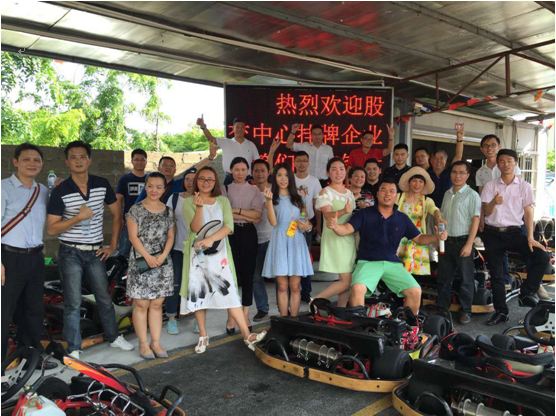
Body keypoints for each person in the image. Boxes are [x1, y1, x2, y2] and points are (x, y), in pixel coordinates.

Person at [47, 141, 134, 359]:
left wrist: (113, 245)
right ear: (67, 162)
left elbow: (117, 214)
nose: (78, 160)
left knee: (104, 297)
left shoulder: (101, 184)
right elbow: (52, 228)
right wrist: (78, 218)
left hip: (95, 251)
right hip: (70, 251)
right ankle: (74, 347)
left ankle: (114, 337)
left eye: (82, 156)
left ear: (89, 160)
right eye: (73, 157)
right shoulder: (60, 190)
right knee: (73, 301)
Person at [326, 178, 448, 315]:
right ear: (378, 194)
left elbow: (419, 238)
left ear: (396, 196)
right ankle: (359, 324)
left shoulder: (402, 218)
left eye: (392, 191)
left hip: (392, 263)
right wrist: (335, 226)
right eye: (383, 190)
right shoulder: (364, 214)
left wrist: (436, 236)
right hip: (368, 262)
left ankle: (409, 325)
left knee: (415, 291)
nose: (387, 194)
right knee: (357, 288)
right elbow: (346, 229)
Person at [179, 167, 266, 354]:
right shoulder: (188, 203)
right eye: (202, 179)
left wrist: (211, 239)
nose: (206, 183)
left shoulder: (223, 201)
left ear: (215, 182)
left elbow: (228, 226)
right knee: (199, 294)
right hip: (198, 255)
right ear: (196, 181)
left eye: (210, 179)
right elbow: (195, 228)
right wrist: (199, 207)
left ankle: (247, 335)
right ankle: (203, 335)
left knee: (230, 292)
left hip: (220, 254)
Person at [1, 144, 57, 369]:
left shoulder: (42, 191)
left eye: (36, 160)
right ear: (15, 162)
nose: (32, 164)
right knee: (4, 311)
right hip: (8, 257)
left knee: (33, 310)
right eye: (26, 159)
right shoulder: (3, 188)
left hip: (35, 257)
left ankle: (30, 359)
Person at [480, 149, 551, 325]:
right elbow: (485, 211)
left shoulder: (524, 186)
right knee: (496, 275)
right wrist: (493, 202)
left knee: (542, 257)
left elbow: (528, 212)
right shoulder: (491, 186)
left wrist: (530, 237)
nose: (505, 164)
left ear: (515, 164)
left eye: (509, 161)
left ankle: (526, 291)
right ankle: (501, 312)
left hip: (514, 233)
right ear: (497, 165)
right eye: (502, 161)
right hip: (492, 233)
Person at [127, 172, 176, 359]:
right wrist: (147, 257)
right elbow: (133, 237)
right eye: (150, 186)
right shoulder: (135, 210)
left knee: (156, 304)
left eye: (158, 187)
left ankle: (155, 342)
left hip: (162, 261)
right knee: (141, 304)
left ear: (164, 189)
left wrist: (163, 256)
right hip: (141, 260)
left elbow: (170, 236)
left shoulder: (168, 211)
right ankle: (143, 344)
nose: (154, 190)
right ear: (145, 187)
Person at [475, 134, 525, 294]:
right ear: (482, 149)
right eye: (486, 146)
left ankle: (534, 285)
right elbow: (482, 198)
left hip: (514, 219)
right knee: (496, 253)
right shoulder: (480, 172)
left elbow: (519, 189)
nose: (490, 148)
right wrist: (481, 218)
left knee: (528, 251)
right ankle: (503, 282)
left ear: (498, 146)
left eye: (493, 145)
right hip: (492, 218)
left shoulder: (508, 165)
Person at [262, 164, 313, 317]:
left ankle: (294, 319)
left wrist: (307, 227)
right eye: (279, 175)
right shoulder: (271, 198)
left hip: (296, 240)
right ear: (274, 178)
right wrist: (268, 201)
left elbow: (305, 220)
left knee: (295, 286)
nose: (283, 179)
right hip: (279, 241)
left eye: (286, 175)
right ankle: (284, 319)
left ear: (290, 178)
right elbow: (273, 222)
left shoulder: (299, 198)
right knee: (282, 286)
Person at [221, 157, 263, 334]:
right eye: (236, 169)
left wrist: (236, 211)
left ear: (248, 171)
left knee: (248, 274)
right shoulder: (224, 189)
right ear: (231, 170)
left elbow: (257, 215)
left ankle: (245, 315)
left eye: (243, 169)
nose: (240, 173)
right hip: (229, 233)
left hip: (248, 234)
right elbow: (224, 214)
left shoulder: (255, 191)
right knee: (231, 275)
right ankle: (231, 316)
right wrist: (247, 215)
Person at [437, 161, 481, 325]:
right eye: (454, 172)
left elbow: (475, 220)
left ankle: (466, 311)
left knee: (465, 278)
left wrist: (469, 244)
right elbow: (442, 218)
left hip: (463, 241)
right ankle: (442, 308)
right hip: (446, 241)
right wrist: (439, 239)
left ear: (468, 175)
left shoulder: (472, 195)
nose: (457, 176)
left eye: (462, 172)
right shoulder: (447, 193)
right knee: (444, 277)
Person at [314, 158, 356, 307]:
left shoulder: (349, 193)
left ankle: (341, 311)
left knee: (345, 279)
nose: (338, 172)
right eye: (334, 169)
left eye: (341, 169)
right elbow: (327, 215)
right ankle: (316, 300)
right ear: (328, 173)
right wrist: (343, 210)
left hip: (349, 238)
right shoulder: (325, 192)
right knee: (346, 281)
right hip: (335, 237)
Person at [165, 167, 198, 335]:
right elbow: (166, 220)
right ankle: (172, 318)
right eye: (187, 179)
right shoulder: (175, 198)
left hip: (197, 250)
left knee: (196, 284)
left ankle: (197, 319)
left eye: (193, 179)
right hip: (178, 248)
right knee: (175, 283)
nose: (190, 182)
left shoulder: (203, 199)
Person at [396, 167, 445, 275]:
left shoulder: (426, 200)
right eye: (414, 180)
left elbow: (433, 209)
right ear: (409, 182)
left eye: (421, 181)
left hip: (417, 238)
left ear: (424, 185)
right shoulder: (399, 197)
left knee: (413, 272)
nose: (417, 184)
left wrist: (438, 217)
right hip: (398, 238)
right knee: (396, 271)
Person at [136, 144, 217, 204]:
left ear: (175, 170)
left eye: (171, 166)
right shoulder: (150, 186)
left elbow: (194, 170)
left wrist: (210, 157)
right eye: (165, 165)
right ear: (159, 168)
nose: (168, 167)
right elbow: (138, 204)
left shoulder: (179, 184)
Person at [292, 151, 322, 301]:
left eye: (304, 161)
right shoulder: (289, 179)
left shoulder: (314, 181)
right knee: (292, 256)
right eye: (299, 161)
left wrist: (318, 224)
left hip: (307, 224)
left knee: (306, 257)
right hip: (291, 224)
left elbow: (317, 205)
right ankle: (293, 290)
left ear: (308, 163)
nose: (302, 164)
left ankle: (306, 292)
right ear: (294, 163)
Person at [197, 116, 259, 185]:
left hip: (247, 179)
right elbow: (211, 138)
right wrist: (203, 127)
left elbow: (258, 163)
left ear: (245, 129)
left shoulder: (251, 145)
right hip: (230, 179)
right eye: (237, 127)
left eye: (242, 127)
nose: (240, 129)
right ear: (233, 128)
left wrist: (256, 179)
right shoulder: (225, 142)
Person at [251, 159, 272, 322]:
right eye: (256, 171)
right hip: (254, 239)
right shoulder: (249, 192)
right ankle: (262, 309)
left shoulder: (276, 190)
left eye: (262, 170)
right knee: (256, 277)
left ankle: (285, 308)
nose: (259, 174)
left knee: (281, 277)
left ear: (268, 172)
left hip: (273, 238)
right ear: (252, 173)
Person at [116, 149, 148, 257]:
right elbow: (118, 199)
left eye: (142, 160)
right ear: (132, 161)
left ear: (146, 161)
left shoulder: (150, 179)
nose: (139, 162)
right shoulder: (125, 179)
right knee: (124, 253)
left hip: (147, 222)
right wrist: (119, 218)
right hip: (129, 221)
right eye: (136, 159)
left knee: (144, 253)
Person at [427, 124, 465, 208]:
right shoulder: (426, 174)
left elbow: (458, 156)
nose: (438, 161)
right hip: (429, 209)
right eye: (435, 158)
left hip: (447, 209)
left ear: (445, 161)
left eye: (441, 158)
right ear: (431, 160)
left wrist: (459, 139)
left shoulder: (450, 172)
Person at [286, 123, 334, 188]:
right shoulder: (305, 146)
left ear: (323, 135)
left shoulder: (328, 149)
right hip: (307, 181)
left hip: (323, 183)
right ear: (311, 135)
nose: (317, 136)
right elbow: (289, 145)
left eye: (319, 134)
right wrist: (293, 131)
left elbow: (332, 166)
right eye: (314, 134)